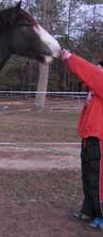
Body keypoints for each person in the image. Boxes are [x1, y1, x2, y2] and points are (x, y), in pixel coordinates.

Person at [61, 49, 103, 230]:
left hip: (98, 139)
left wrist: (70, 57)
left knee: (97, 179)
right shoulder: (93, 90)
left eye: (99, 69)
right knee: (87, 177)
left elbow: (89, 73)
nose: (97, 71)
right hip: (88, 138)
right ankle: (89, 210)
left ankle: (100, 215)